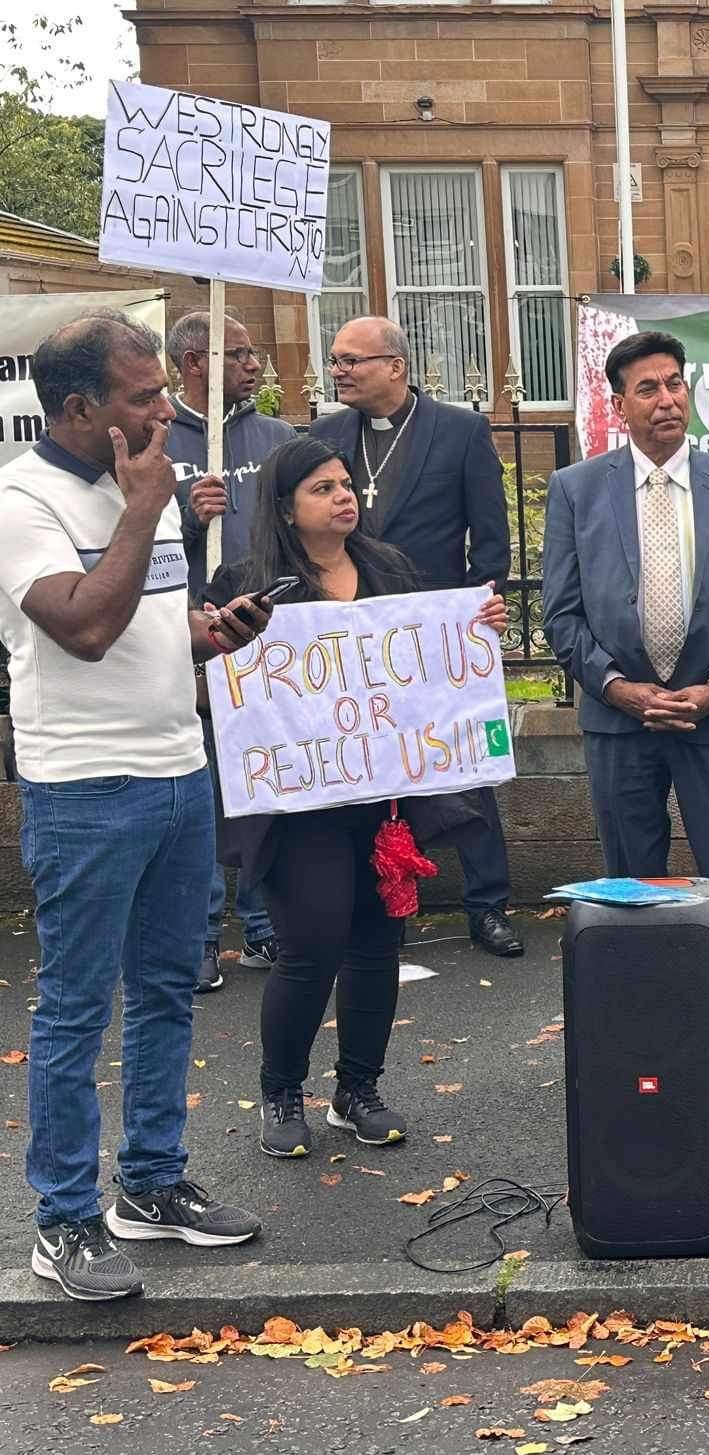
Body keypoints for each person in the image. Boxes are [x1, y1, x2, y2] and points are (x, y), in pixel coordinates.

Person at [0, 309, 273, 1301]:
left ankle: (149, 1186)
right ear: (80, 408)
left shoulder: (139, 486)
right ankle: (63, 1220)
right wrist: (141, 508)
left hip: (176, 769)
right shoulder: (23, 498)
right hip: (85, 786)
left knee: (166, 990)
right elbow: (81, 626)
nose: (167, 407)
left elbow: (150, 623)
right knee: (75, 1009)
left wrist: (212, 633)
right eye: (144, 395)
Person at [204, 438, 507, 1156]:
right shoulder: (247, 580)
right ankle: (281, 1093)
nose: (345, 497)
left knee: (376, 940)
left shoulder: (388, 567)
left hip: (381, 795)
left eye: (347, 484)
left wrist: (477, 630)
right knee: (309, 943)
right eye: (322, 488)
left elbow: (425, 657)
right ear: (285, 507)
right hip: (297, 799)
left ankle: (357, 1090)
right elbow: (222, 681)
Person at [541, 331, 709, 990]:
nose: (666, 400)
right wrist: (616, 688)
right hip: (620, 726)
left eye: (674, 384)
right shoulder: (576, 490)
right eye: (647, 389)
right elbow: (561, 614)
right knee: (633, 890)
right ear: (618, 405)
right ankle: (654, 1029)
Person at [310, 317, 520, 958]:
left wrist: (473, 613)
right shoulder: (327, 434)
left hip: (436, 636)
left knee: (462, 768)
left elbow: (490, 537)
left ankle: (489, 905)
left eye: (351, 360)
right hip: (353, 636)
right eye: (335, 360)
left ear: (395, 366)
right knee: (366, 769)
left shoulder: (460, 429)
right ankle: (380, 905)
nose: (338, 370)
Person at [165, 309, 295, 990]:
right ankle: (202, 935)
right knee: (205, 791)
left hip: (268, 642)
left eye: (254, 353)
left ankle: (265, 926)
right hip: (193, 644)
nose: (254, 365)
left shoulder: (275, 437)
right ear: (194, 362)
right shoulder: (158, 443)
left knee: (266, 788)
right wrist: (189, 515)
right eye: (238, 354)